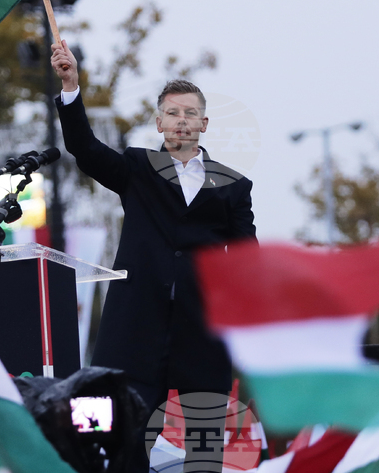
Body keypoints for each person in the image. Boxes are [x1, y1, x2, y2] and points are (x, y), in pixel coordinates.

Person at [51, 39, 257, 473]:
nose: (181, 121)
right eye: (172, 113)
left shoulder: (234, 186)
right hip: (135, 329)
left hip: (201, 334)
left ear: (204, 123)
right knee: (118, 446)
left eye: (189, 114)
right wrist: (71, 87)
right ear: (159, 122)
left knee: (204, 454)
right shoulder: (137, 169)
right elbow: (84, 149)